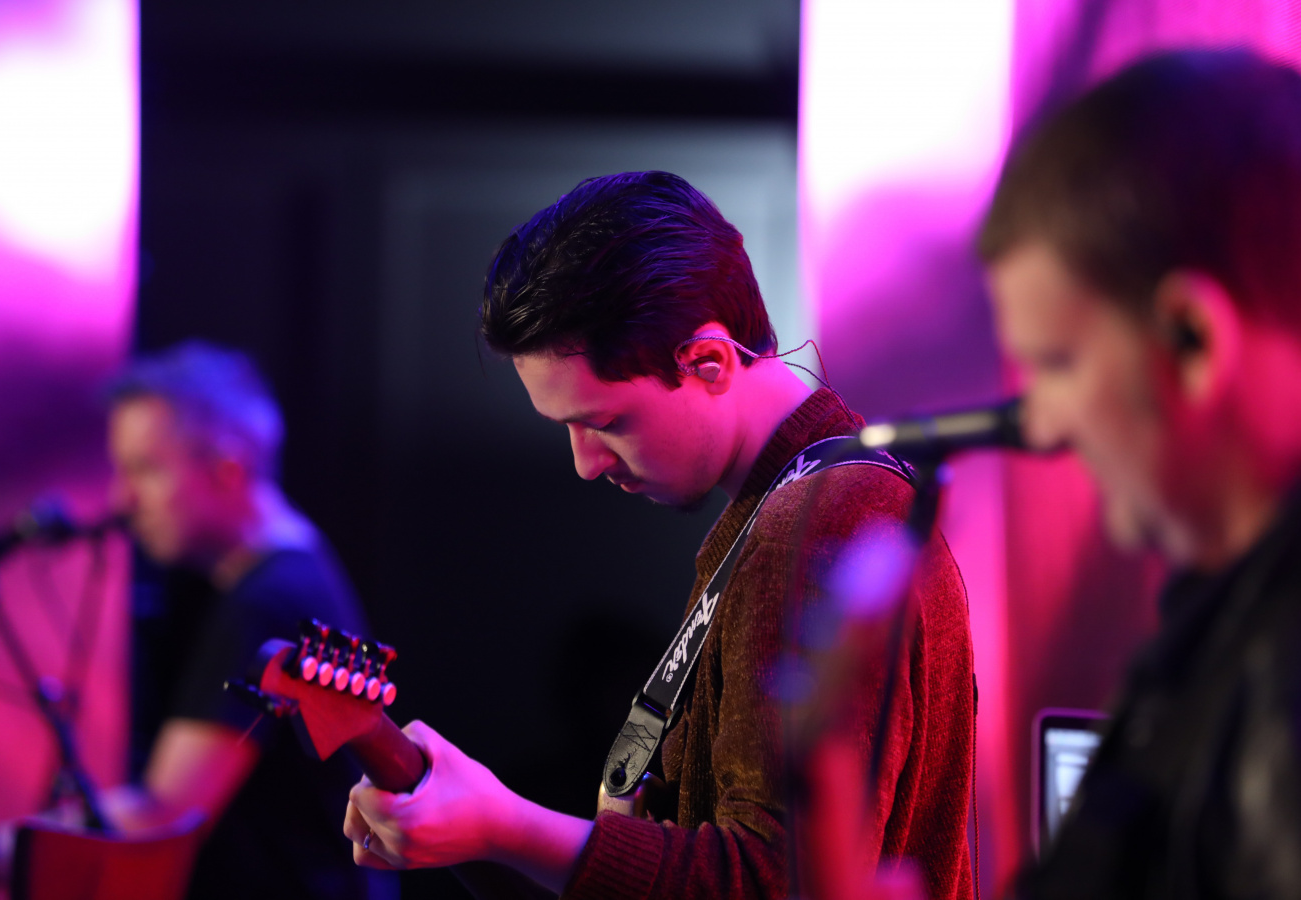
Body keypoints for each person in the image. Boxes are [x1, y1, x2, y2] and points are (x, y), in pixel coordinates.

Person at [342, 172, 976, 900]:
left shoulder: (817, 522)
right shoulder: (804, 507)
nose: (585, 463)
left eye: (604, 422)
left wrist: (505, 826)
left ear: (708, 362)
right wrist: (486, 826)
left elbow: (774, 883)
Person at [979, 49, 1301, 897]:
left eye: (1058, 363)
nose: (1042, 426)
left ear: (1192, 340)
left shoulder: (1292, 676)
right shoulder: (1228, 618)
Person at [106, 342, 394, 900]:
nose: (124, 499)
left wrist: (9, 841)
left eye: (146, 469)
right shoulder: (300, 564)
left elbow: (163, 819)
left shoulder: (266, 601)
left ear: (228, 469)